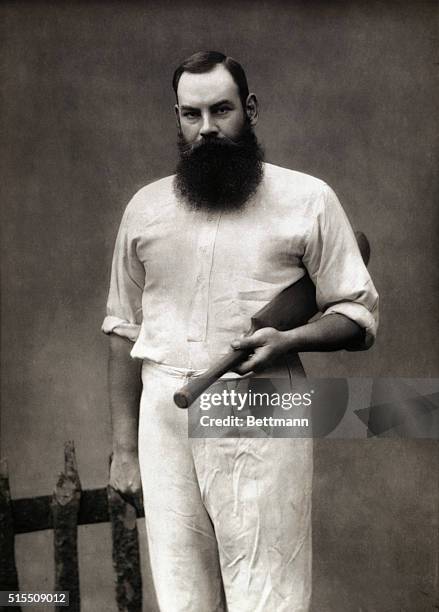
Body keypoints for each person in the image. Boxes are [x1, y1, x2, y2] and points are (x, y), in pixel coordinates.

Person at [102, 51, 379, 612]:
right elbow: (122, 330)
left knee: (268, 594)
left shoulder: (309, 199)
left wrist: (290, 340)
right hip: (165, 408)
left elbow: (355, 314)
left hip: (261, 402)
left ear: (249, 109)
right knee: (182, 595)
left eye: (221, 110)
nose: (207, 129)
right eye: (191, 114)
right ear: (177, 117)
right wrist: (124, 449)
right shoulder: (145, 208)